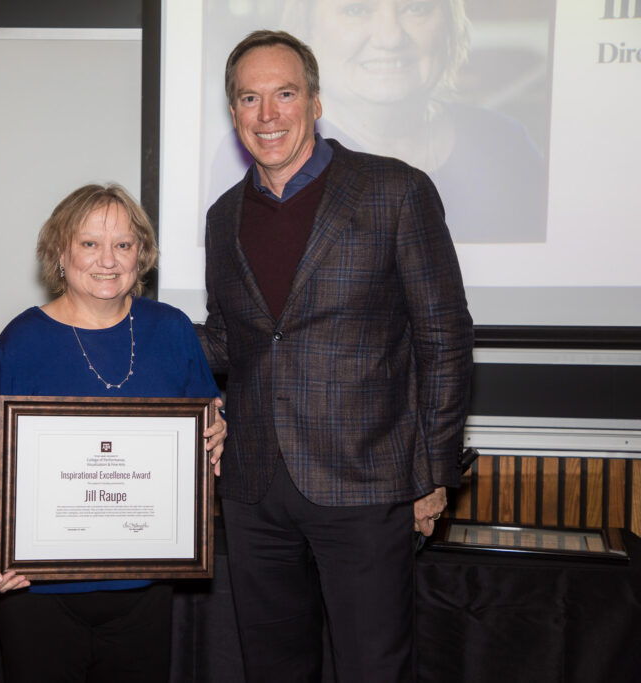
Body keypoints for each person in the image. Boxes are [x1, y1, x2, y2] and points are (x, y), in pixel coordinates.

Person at [196, 31, 474, 682]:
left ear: (315, 102)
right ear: (233, 111)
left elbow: (444, 338)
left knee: (373, 668)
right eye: (249, 98)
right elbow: (229, 337)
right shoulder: (222, 215)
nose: (268, 115)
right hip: (254, 488)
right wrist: (123, 331)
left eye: (285, 94)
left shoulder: (395, 191)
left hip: (367, 487)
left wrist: (433, 473)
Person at [0, 183, 226, 683]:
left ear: (141, 255)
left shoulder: (171, 332)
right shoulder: (21, 342)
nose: (108, 260)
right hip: (36, 590)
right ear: (60, 252)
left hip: (144, 588)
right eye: (89, 243)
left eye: (123, 245)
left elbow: (204, 420)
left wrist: (214, 434)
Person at [208, 0, 547, 243]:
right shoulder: (242, 177)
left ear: (450, 24)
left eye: (416, 8)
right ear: (305, 28)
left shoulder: (507, 145)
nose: (391, 37)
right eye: (357, 9)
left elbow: (443, 332)